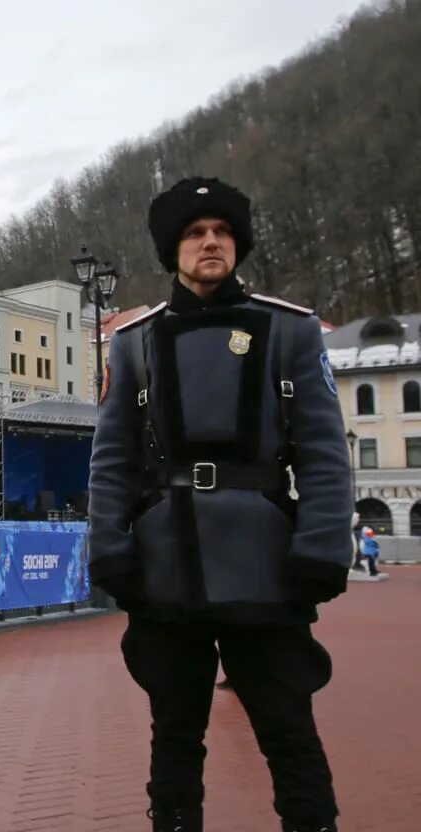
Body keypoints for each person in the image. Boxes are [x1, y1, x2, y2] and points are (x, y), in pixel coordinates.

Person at [88, 177, 353, 832]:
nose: (210, 242)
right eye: (194, 233)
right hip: (166, 562)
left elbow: (322, 451)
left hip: (263, 559)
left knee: (288, 728)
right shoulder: (136, 342)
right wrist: (110, 548)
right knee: (174, 733)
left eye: (222, 232)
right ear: (171, 251)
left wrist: (321, 546)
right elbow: (112, 459)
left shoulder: (287, 331)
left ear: (237, 245)